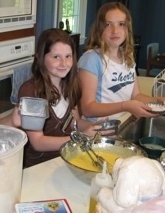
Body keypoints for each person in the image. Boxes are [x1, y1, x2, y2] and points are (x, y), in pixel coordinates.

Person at [11, 28, 108, 168]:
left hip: (67, 158)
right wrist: (80, 139)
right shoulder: (31, 91)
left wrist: (94, 128)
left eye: (68, 56)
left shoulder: (72, 85)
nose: (64, 63)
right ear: (40, 57)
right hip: (39, 166)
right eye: (56, 57)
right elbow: (37, 142)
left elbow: (75, 122)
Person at [78, 2, 165, 122]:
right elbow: (87, 108)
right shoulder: (91, 59)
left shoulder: (128, 56)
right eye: (108, 24)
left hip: (122, 123)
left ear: (127, 29)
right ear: (99, 29)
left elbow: (135, 96)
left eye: (121, 24)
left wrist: (155, 102)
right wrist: (125, 105)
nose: (115, 30)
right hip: (99, 130)